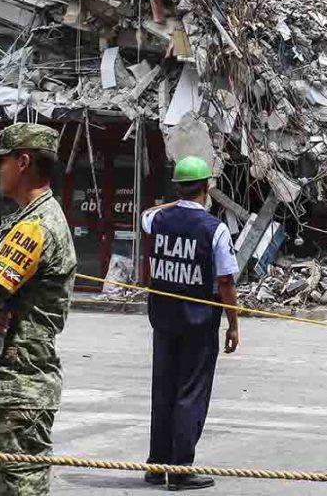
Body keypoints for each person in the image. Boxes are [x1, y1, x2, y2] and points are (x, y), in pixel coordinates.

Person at [0, 122, 77, 496]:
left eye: (3, 161)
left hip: (15, 394)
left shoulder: (35, 228)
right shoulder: (20, 223)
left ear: (23, 162)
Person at [141, 156, 239, 492]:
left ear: (179, 186)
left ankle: (156, 466)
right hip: (198, 323)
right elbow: (226, 282)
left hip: (163, 320)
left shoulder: (158, 220)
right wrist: (234, 324)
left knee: (163, 391)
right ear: (208, 187)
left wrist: (178, 200)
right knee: (190, 394)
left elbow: (147, 216)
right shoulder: (215, 229)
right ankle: (180, 471)